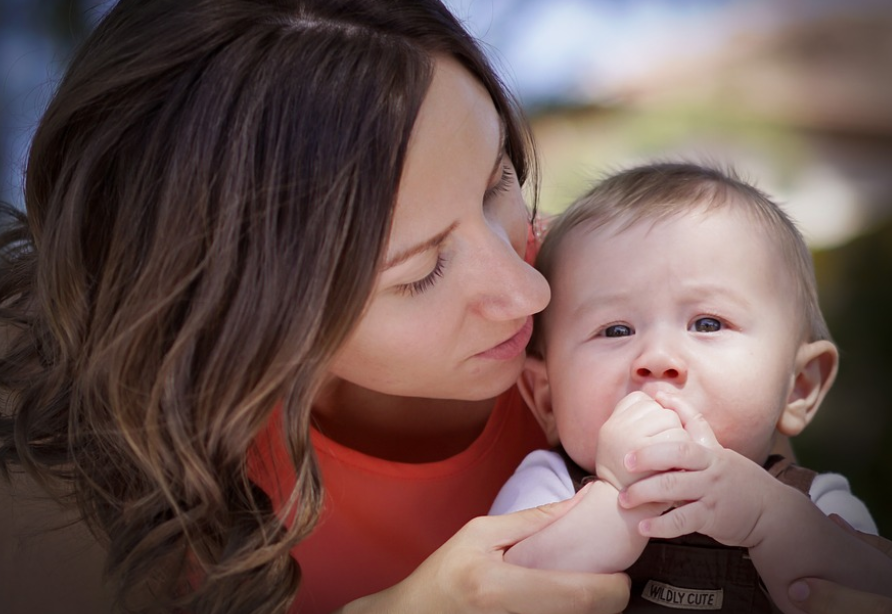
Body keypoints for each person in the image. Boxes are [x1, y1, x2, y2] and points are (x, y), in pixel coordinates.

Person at [0, 1, 635, 613]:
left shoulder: (639, 314)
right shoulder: (83, 448)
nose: (531, 290)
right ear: (238, 310)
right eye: (419, 272)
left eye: (498, 181)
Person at [490, 162, 892, 613]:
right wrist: (616, 499)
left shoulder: (816, 501)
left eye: (707, 323)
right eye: (616, 330)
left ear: (798, 387)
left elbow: (876, 589)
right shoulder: (548, 487)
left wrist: (769, 521)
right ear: (546, 397)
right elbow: (499, 591)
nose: (658, 358)